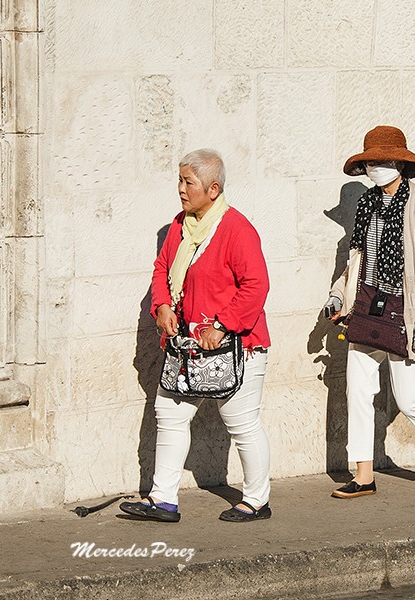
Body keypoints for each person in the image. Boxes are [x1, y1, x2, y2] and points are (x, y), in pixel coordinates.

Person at [120, 149, 273, 522]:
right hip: (186, 346)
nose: (181, 189)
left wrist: (221, 326)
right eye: (180, 180)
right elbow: (161, 269)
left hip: (237, 346)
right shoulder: (180, 225)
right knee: (168, 413)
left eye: (189, 182)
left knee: (241, 422)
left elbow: (256, 285)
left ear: (214, 188)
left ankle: (257, 499)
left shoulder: (237, 230)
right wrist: (163, 307)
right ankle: (163, 500)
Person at [323, 125, 415, 498]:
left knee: (408, 397)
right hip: (367, 306)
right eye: (371, 161)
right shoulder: (367, 204)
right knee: (358, 390)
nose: (377, 168)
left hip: (405, 312)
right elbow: (356, 261)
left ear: (401, 164)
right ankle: (364, 475)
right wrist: (339, 296)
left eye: (384, 161)